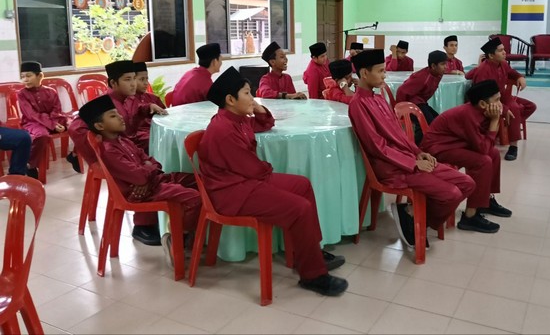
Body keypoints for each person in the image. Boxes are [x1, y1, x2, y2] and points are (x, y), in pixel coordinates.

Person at [197, 67, 348, 296]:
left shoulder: (238, 119)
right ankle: (313, 275)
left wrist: (256, 107)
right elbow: (253, 169)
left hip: (245, 182)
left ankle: (309, 253)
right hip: (231, 193)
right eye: (247, 93)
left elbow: (265, 123)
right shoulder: (223, 130)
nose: (252, 97)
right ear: (230, 100)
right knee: (299, 208)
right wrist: (267, 171)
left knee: (303, 185)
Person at [348, 49, 475, 247]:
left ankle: (412, 215)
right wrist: (413, 164)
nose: (384, 75)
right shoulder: (358, 105)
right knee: (451, 194)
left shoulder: (379, 98)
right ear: (364, 73)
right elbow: (377, 147)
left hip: (408, 158)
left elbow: (399, 135)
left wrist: (419, 153)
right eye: (380, 71)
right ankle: (416, 220)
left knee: (467, 183)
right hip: (391, 168)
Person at [78, 95, 201, 266]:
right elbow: (141, 175)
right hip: (143, 193)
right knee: (195, 198)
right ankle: (177, 239)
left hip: (154, 182)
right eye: (113, 116)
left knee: (200, 181)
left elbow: (154, 162)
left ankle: (193, 234)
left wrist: (147, 169)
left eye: (117, 113)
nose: (120, 117)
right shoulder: (109, 151)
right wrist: (147, 170)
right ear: (100, 126)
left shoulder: (124, 140)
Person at [68, 60, 166, 246]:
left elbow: (131, 119)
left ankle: (157, 209)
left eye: (134, 79)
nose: (133, 84)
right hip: (114, 157)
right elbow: (75, 128)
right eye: (128, 80)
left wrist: (146, 109)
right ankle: (143, 224)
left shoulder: (128, 99)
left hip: (127, 150)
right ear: (113, 83)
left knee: (151, 156)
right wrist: (97, 155)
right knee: (143, 169)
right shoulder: (105, 105)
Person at [421, 80, 511, 233]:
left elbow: (485, 144)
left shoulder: (481, 111)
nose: (500, 104)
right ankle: (470, 216)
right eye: (497, 100)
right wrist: (495, 121)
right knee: (483, 161)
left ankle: (486, 201)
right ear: (483, 104)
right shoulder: (468, 114)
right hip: (438, 149)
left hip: (456, 144)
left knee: (494, 153)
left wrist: (498, 117)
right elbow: (482, 149)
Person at [466, 37, 537, 161]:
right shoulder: (483, 70)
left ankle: (507, 128)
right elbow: (484, 97)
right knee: (514, 108)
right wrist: (503, 109)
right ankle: (513, 146)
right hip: (490, 101)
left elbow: (511, 72)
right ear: (491, 55)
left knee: (530, 106)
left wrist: (520, 77)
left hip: (502, 96)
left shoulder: (503, 63)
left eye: (504, 49)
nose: (504, 52)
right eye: (500, 50)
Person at [17, 61, 69, 179]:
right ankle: (30, 164)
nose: (25, 80)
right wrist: (52, 125)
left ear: (40, 76)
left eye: (28, 76)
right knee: (42, 135)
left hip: (52, 120)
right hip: (32, 122)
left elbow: (56, 110)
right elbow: (31, 114)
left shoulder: (51, 91)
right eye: (22, 77)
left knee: (76, 124)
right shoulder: (22, 94)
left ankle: (74, 156)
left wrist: (55, 123)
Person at [396, 50, 447, 142]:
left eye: (445, 64)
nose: (445, 67)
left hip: (422, 103)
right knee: (428, 124)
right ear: (433, 66)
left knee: (439, 120)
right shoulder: (422, 77)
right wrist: (402, 111)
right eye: (443, 64)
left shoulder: (438, 74)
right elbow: (401, 91)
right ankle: (415, 147)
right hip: (413, 104)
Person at [133, 61, 166, 151]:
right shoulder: (127, 100)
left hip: (156, 130)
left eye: (146, 79)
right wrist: (149, 106)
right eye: (141, 79)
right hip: (140, 136)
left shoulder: (153, 98)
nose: (146, 83)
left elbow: (165, 114)